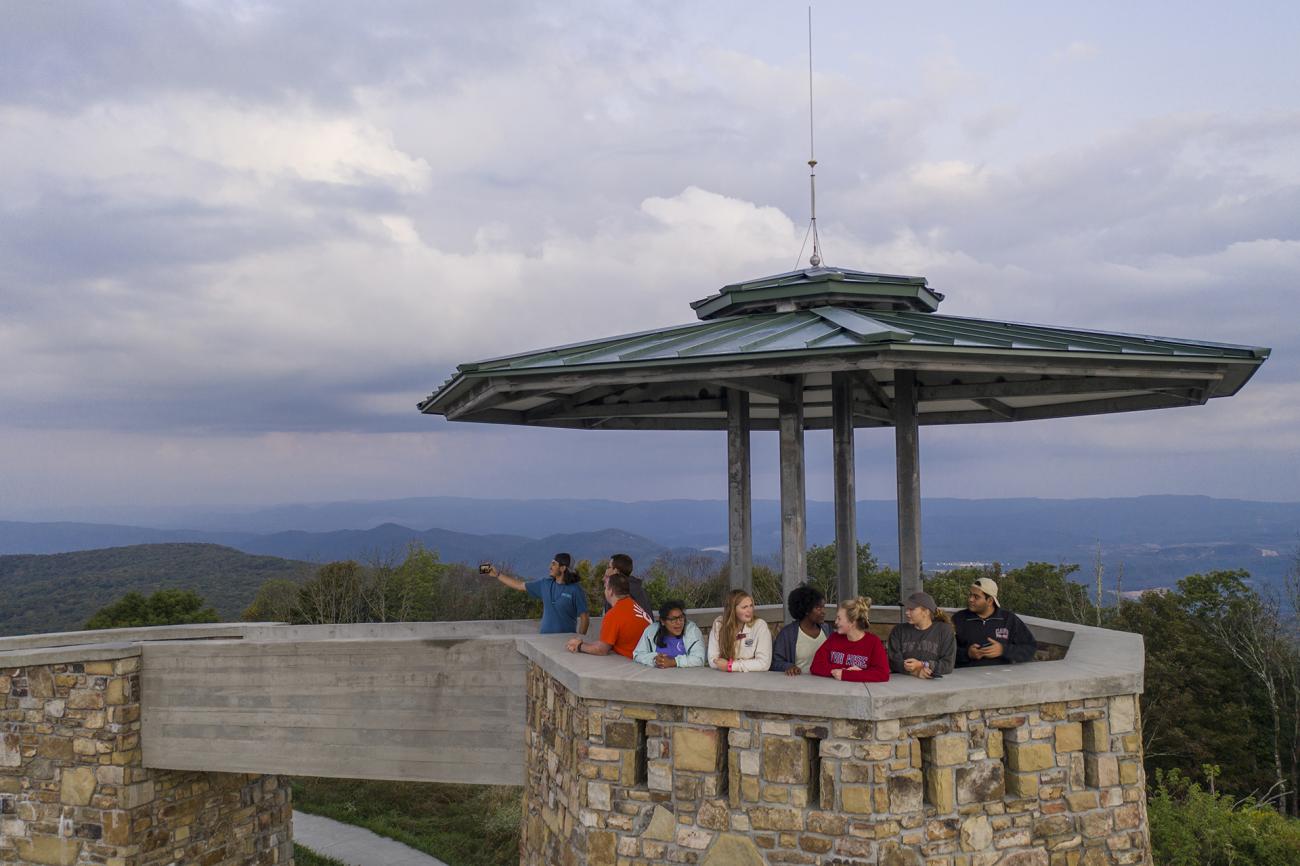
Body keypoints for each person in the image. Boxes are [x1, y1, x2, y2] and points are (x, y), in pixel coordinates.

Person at [489, 553, 589, 635]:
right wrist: (497, 575)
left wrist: (579, 640)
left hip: (566, 643)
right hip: (544, 641)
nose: (550, 567)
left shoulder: (575, 589)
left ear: (563, 568)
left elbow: (584, 617)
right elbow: (519, 585)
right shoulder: (544, 584)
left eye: (554, 564)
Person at [952, 577, 1038, 667]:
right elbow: (944, 651)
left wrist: (1003, 650)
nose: (970, 599)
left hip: (1001, 678)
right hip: (965, 678)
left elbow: (1030, 648)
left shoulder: (1009, 619)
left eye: (976, 597)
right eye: (970, 595)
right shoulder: (959, 619)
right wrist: (967, 654)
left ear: (989, 601)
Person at [565, 572, 651, 658]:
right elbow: (606, 642)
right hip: (650, 658)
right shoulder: (633, 605)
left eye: (605, 587)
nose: (604, 591)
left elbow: (601, 650)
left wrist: (579, 646)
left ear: (611, 591)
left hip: (635, 663)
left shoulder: (614, 614)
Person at [810, 596, 890, 683]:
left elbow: (883, 674)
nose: (836, 622)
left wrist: (845, 674)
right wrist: (844, 671)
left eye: (839, 618)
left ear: (852, 622)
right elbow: (816, 666)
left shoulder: (873, 642)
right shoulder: (834, 638)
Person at [887, 590, 956, 678]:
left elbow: (948, 665)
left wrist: (921, 664)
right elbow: (894, 662)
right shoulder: (898, 631)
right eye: (907, 608)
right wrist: (916, 672)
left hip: (937, 684)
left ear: (926, 612)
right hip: (903, 683)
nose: (907, 612)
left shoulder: (944, 630)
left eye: (911, 609)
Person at [771, 585, 831, 676]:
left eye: (823, 607)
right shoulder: (787, 634)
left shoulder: (827, 630)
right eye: (818, 608)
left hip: (825, 686)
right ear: (806, 610)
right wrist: (788, 666)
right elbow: (775, 662)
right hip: (798, 686)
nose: (823, 611)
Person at [707, 589, 772, 672]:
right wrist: (749, 663)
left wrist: (731, 666)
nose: (750, 610)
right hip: (724, 679)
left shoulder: (760, 626)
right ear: (732, 610)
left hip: (754, 680)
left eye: (751, 606)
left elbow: (764, 664)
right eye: (744, 607)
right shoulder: (719, 624)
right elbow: (713, 660)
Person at [633, 600, 706, 668]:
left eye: (681, 618)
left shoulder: (692, 630)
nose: (678, 623)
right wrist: (654, 659)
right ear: (662, 621)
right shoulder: (651, 631)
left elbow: (699, 659)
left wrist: (674, 662)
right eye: (673, 619)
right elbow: (637, 655)